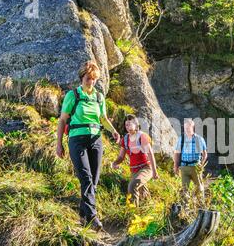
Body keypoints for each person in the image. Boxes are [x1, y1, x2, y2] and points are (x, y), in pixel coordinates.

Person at [56, 60, 120, 231]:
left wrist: (113, 131)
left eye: (94, 79)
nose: (91, 82)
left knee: (94, 180)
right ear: (82, 78)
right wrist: (59, 144)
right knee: (86, 178)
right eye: (87, 79)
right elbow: (62, 120)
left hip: (96, 140)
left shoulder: (99, 97)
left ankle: (83, 216)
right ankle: (93, 218)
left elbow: (103, 119)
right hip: (77, 140)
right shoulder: (73, 96)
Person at [111, 114, 159, 206]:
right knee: (143, 195)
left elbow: (150, 154)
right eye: (126, 125)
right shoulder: (125, 139)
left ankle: (131, 214)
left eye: (130, 124)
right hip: (134, 171)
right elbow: (121, 157)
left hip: (145, 168)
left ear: (136, 125)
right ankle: (149, 211)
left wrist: (154, 171)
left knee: (132, 186)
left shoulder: (142, 136)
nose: (128, 126)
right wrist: (115, 163)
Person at [173, 119, 208, 206]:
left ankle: (201, 206)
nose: (187, 129)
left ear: (193, 127)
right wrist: (176, 166)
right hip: (184, 167)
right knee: (185, 190)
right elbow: (177, 153)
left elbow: (204, 153)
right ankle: (186, 209)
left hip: (195, 167)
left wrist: (202, 164)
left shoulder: (199, 139)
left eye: (188, 127)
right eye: (185, 128)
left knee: (199, 188)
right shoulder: (181, 139)